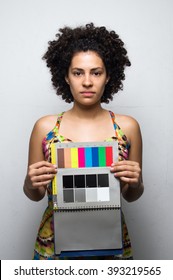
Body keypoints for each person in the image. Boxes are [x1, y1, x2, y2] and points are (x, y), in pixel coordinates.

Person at [23, 23, 144, 260]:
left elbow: (131, 193)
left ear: (108, 76)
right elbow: (35, 193)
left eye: (96, 72)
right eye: (78, 73)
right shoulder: (45, 128)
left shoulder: (128, 127)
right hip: (55, 243)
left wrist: (137, 182)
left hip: (110, 241)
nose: (87, 82)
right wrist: (29, 182)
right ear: (66, 77)